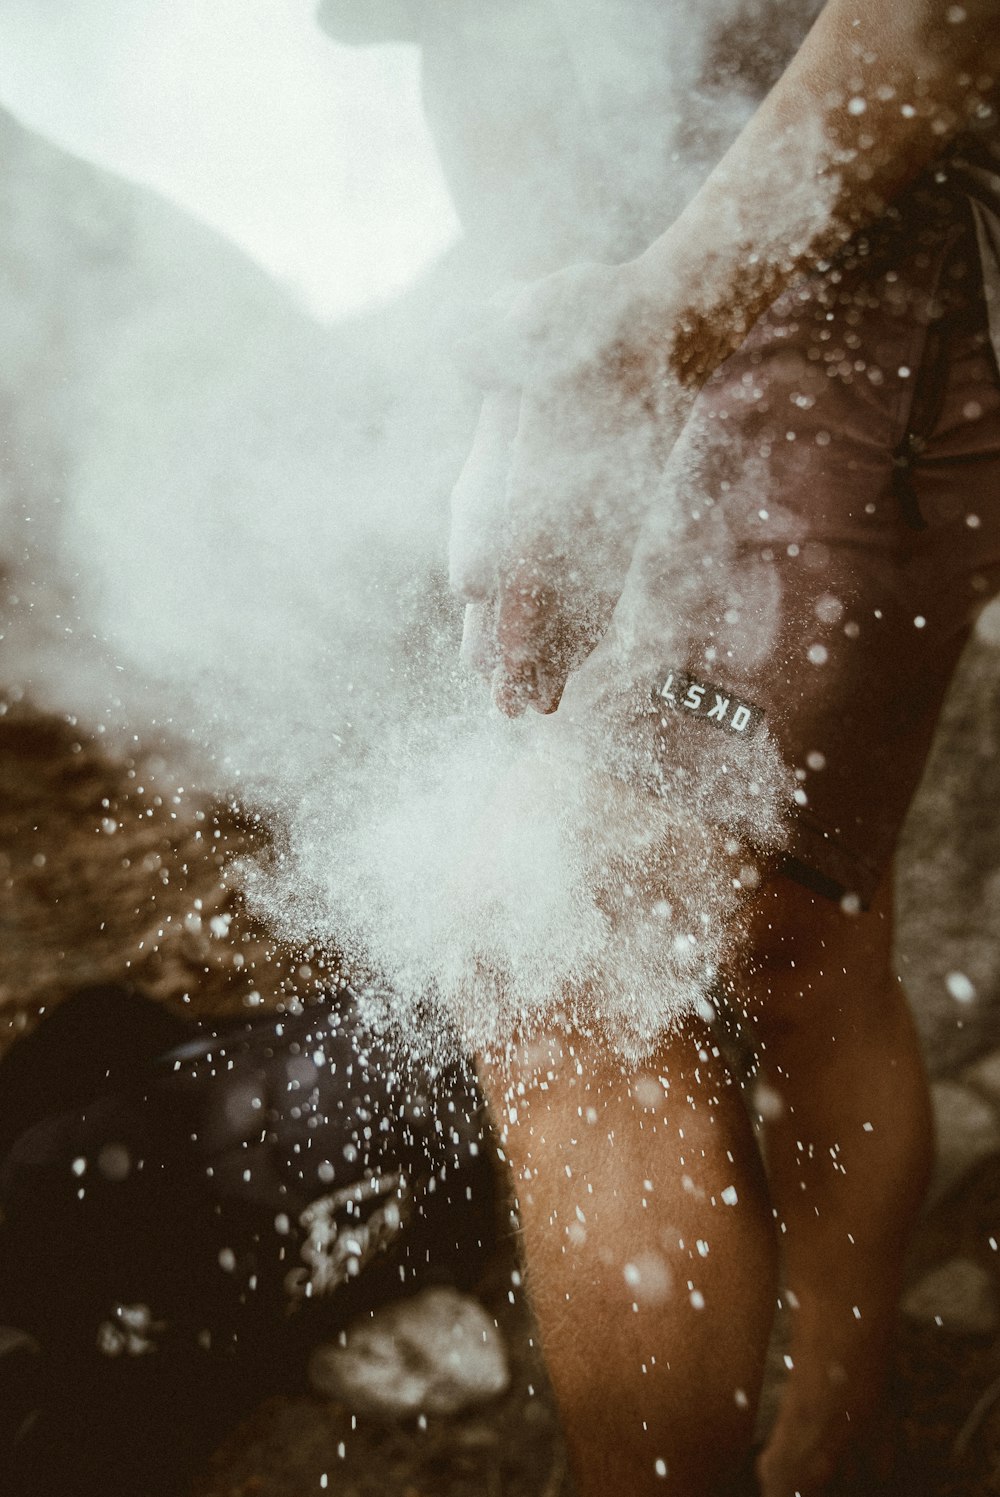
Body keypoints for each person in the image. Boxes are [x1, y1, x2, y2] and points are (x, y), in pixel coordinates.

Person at [320, 4, 1000, 1493]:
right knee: (805, 934)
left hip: (848, 232)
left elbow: (942, 26)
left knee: (562, 946)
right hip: (606, 274)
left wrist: (653, 328)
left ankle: (819, 1422)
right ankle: (843, 1407)